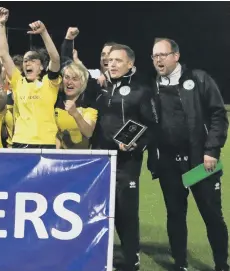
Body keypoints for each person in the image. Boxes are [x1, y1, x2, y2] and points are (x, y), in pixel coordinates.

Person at [147, 38, 229, 271]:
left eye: (163, 55)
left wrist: (211, 150)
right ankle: (180, 263)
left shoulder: (199, 79)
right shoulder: (153, 85)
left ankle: (222, 264)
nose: (158, 60)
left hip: (200, 162)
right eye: (154, 56)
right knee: (175, 215)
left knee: (211, 215)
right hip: (170, 165)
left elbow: (218, 116)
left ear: (176, 55)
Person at [92, 44, 156, 271]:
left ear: (131, 64)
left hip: (126, 162)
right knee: (102, 211)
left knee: (125, 211)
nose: (112, 64)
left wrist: (137, 144)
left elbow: (151, 125)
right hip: (100, 161)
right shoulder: (102, 89)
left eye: (118, 60)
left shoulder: (140, 90)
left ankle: (132, 257)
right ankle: (106, 253)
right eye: (109, 60)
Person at [0, 7, 62, 149]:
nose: (27, 62)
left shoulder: (50, 83)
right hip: (21, 141)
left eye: (33, 60)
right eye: (25, 60)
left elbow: (55, 58)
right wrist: (1, 24)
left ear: (42, 67)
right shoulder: (18, 82)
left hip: (46, 142)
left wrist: (44, 32)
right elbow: (3, 54)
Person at [54, 62, 97, 149]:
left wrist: (75, 114)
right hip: (58, 157)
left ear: (82, 83)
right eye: (66, 77)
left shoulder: (88, 104)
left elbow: (88, 133)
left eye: (75, 79)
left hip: (81, 159)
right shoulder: (55, 101)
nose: (69, 82)